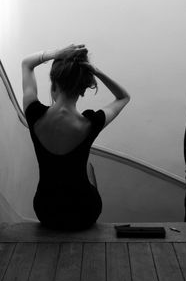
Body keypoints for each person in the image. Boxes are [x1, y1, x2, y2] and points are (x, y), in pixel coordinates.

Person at [21, 44, 130, 231]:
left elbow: (26, 63)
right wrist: (97, 72)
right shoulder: (90, 123)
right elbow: (123, 98)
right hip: (83, 213)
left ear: (54, 84)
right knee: (89, 170)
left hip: (46, 211)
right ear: (82, 90)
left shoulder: (33, 114)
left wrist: (57, 53)